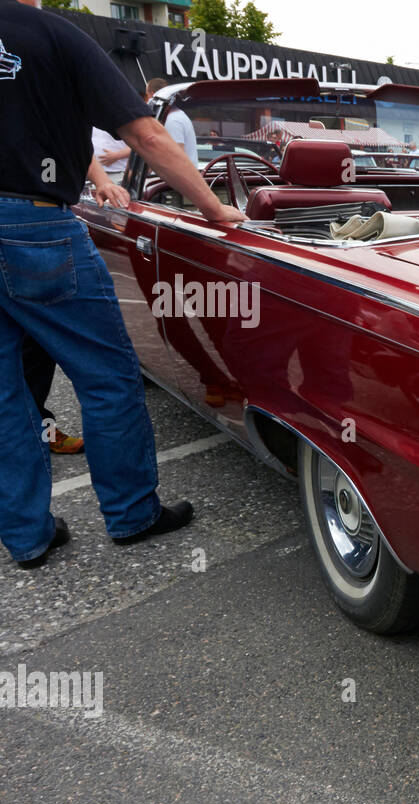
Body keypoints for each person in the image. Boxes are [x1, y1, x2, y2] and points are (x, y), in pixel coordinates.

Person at [0, 0, 244, 569]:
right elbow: (147, 134)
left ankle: (26, 536)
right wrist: (213, 209)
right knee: (106, 373)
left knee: (5, 394)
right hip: (37, 224)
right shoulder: (54, 34)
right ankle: (132, 514)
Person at [145, 77, 198, 165]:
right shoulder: (176, 116)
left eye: (147, 96)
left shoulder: (172, 120)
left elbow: (176, 158)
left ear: (153, 94)